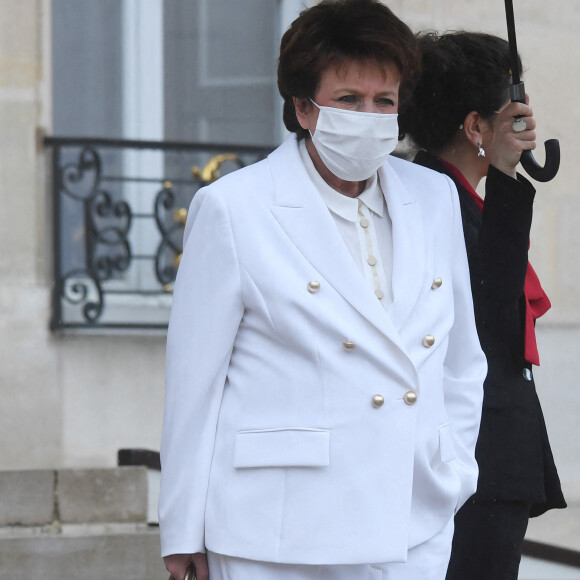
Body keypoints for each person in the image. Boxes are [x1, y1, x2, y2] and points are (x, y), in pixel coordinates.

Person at [159, 3, 487, 579]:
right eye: (349, 100)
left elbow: (462, 361)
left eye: (384, 101)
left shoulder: (434, 198)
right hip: (280, 534)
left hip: (415, 523)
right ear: (304, 108)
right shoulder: (235, 208)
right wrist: (182, 529)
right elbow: (195, 385)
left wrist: (454, 470)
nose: (369, 115)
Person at [399, 31, 567, 580]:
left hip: (492, 458)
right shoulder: (425, 199)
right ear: (475, 127)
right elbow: (488, 315)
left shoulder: (454, 197)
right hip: (471, 458)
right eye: (510, 117)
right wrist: (504, 171)